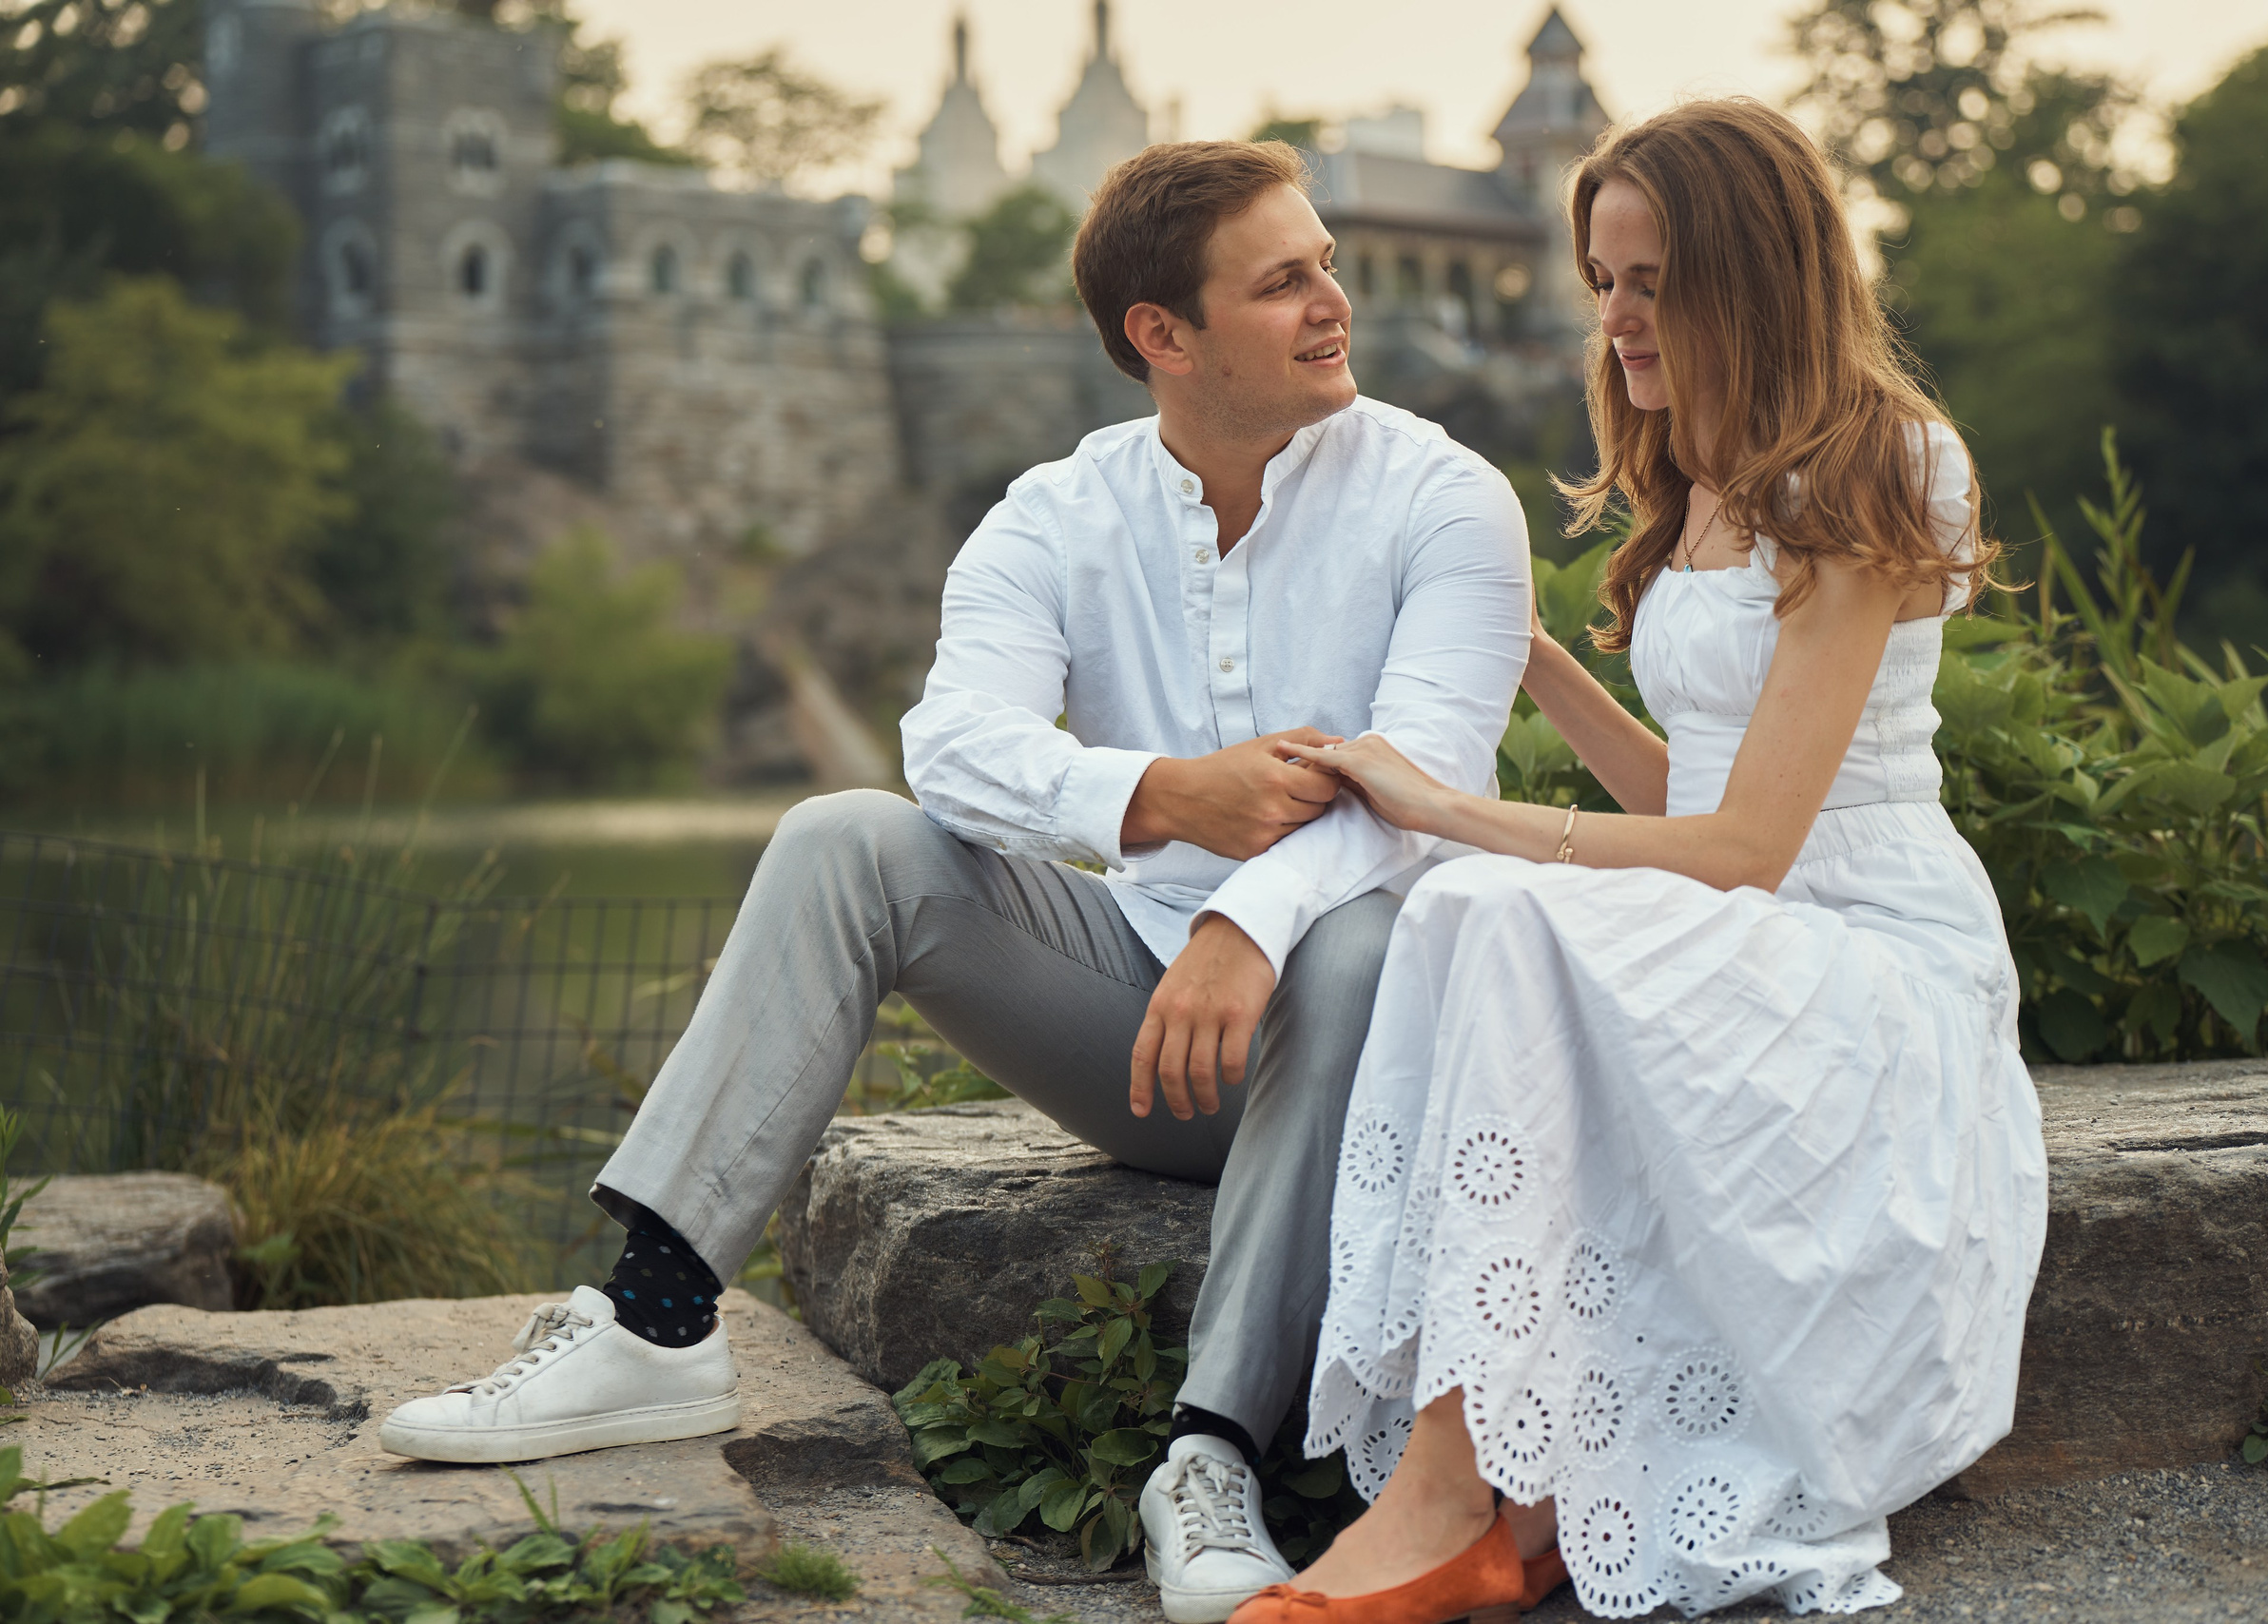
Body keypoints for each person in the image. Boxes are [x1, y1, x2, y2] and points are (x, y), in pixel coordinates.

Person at [375, 140, 1533, 1624]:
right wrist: (1156, 797)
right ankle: (656, 1325)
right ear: (1159, 338)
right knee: (842, 834)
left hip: (1359, 1055)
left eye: (1324, 265)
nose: (1334, 302)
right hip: (1131, 1021)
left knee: (1362, 935)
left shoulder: (1444, 498)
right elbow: (951, 750)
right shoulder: (1057, 509)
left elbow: (1423, 792)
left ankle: (1211, 1455)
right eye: (1283, 280)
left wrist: (1251, 918)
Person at [1231, 100, 2048, 1623]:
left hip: (1875, 948)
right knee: (1485, 917)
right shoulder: (1701, 476)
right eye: (1603, 279)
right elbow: (1707, 790)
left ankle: (1447, 1503)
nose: (1618, 319)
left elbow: (1748, 846)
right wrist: (1534, 659)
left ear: (1756, 271)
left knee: (1482, 897)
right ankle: (1497, 1487)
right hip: (1758, 920)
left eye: (1652, 280)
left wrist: (1446, 808)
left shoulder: (1882, 462)